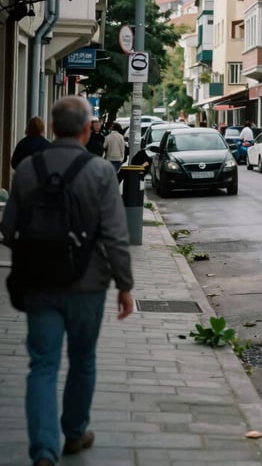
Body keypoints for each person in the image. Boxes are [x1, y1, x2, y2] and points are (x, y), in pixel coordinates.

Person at [0, 95, 134, 466]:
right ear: (87, 128)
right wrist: (125, 285)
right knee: (82, 359)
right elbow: (115, 235)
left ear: (54, 127)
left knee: (42, 365)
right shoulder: (100, 172)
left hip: (40, 283)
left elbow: (8, 230)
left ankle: (43, 450)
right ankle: (74, 433)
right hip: (88, 284)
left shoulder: (27, 170)